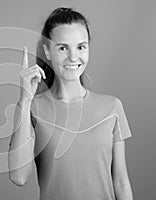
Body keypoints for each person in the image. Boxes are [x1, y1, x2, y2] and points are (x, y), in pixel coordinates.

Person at [8, 7, 134, 200]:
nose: (73, 57)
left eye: (81, 47)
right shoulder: (32, 109)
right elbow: (19, 177)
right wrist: (25, 101)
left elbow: (121, 181)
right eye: (62, 48)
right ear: (47, 52)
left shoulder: (112, 107)